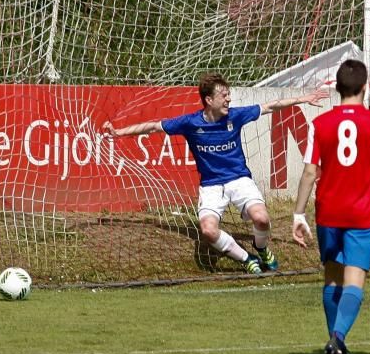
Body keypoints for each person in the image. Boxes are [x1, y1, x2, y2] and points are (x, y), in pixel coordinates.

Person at [104, 73, 328, 274]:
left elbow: (270, 106)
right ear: (209, 100)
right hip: (211, 186)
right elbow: (153, 126)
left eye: (229, 94)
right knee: (209, 231)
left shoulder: (235, 116)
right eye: (223, 95)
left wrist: (303, 98)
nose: (228, 99)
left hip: (239, 179)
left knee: (261, 218)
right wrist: (118, 132)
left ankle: (261, 248)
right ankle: (246, 258)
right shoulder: (190, 122)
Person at [292, 59, 370, 354]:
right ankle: (337, 339)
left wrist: (298, 213)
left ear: (337, 88)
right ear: (365, 88)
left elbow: (310, 172)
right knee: (354, 283)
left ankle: (336, 344)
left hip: (328, 212)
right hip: (361, 215)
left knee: (332, 278)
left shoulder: (320, 124)